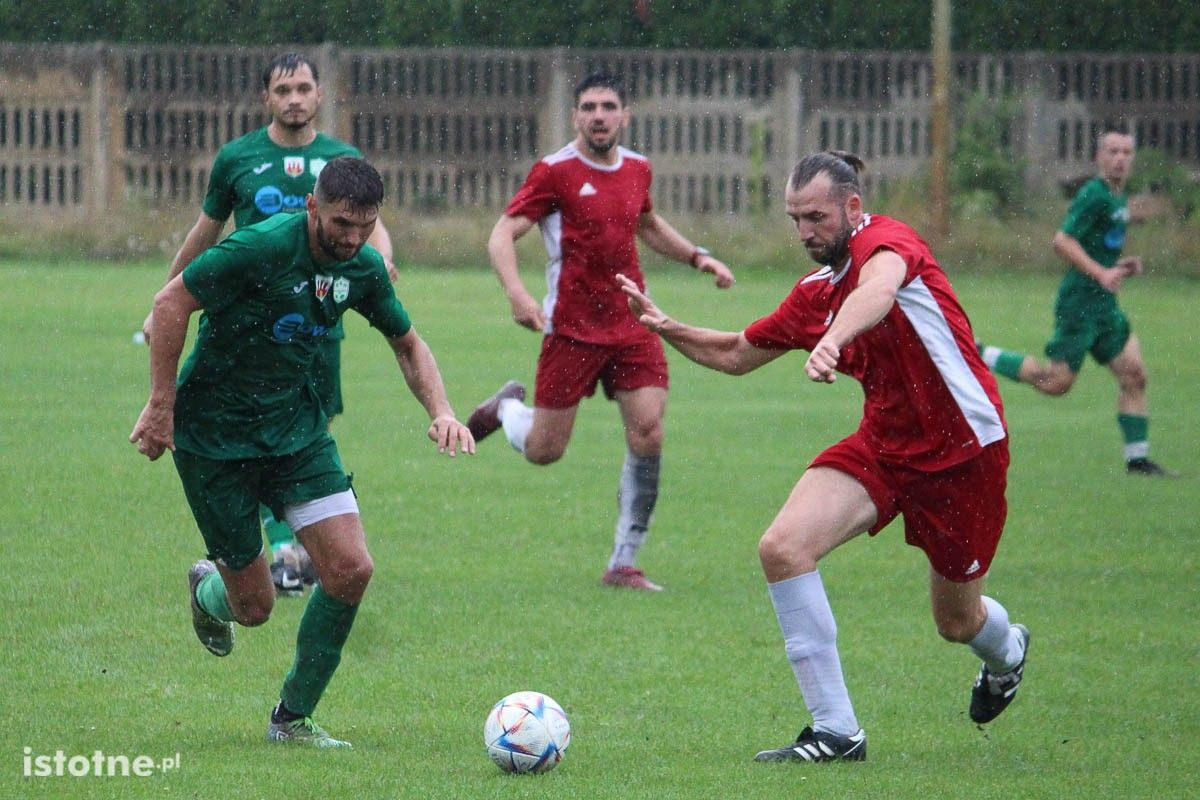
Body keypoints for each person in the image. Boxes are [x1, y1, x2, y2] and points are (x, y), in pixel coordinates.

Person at [618, 151, 1029, 761]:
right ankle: (837, 731)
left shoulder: (888, 243)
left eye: (816, 216)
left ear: (852, 207)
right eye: (795, 219)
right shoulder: (816, 293)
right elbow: (736, 353)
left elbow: (881, 292)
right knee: (782, 547)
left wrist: (834, 341)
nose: (805, 232)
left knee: (956, 623)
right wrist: (666, 326)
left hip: (963, 454)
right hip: (885, 448)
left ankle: (1009, 651)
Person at [129, 156, 473, 748]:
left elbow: (408, 344)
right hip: (214, 439)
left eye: (365, 225)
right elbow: (169, 305)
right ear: (311, 206)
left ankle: (291, 719)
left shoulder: (362, 267)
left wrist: (440, 410)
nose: (353, 238)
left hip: (297, 434)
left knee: (350, 569)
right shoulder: (260, 248)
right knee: (256, 607)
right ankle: (210, 588)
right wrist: (162, 405)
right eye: (341, 223)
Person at [466, 72, 735, 592]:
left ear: (624, 115)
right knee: (546, 450)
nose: (599, 115)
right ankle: (507, 410)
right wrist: (518, 294)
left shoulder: (638, 169)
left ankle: (623, 561)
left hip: (634, 322)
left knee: (649, 430)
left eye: (608, 106)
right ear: (575, 117)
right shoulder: (555, 172)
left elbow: (649, 225)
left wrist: (699, 257)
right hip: (570, 329)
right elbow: (503, 232)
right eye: (588, 106)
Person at [142, 52, 399, 594]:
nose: (294, 99)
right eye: (284, 90)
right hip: (243, 325)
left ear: (320, 95)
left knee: (309, 430)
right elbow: (206, 230)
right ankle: (263, 555)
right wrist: (164, 294)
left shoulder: (341, 159)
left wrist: (384, 262)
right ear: (267, 98)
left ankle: (286, 547)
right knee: (249, 431)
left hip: (317, 320)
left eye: (304, 88)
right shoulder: (238, 158)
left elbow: (372, 229)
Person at [976, 131, 1175, 477]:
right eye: (1113, 151)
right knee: (1055, 383)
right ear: (1099, 157)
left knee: (1134, 374)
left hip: (1104, 306)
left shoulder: (1118, 195)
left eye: (1126, 152)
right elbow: (1062, 241)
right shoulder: (1094, 195)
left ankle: (1138, 461)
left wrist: (1120, 266)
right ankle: (979, 353)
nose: (1120, 158)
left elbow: (1097, 244)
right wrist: (1101, 273)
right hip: (1079, 305)